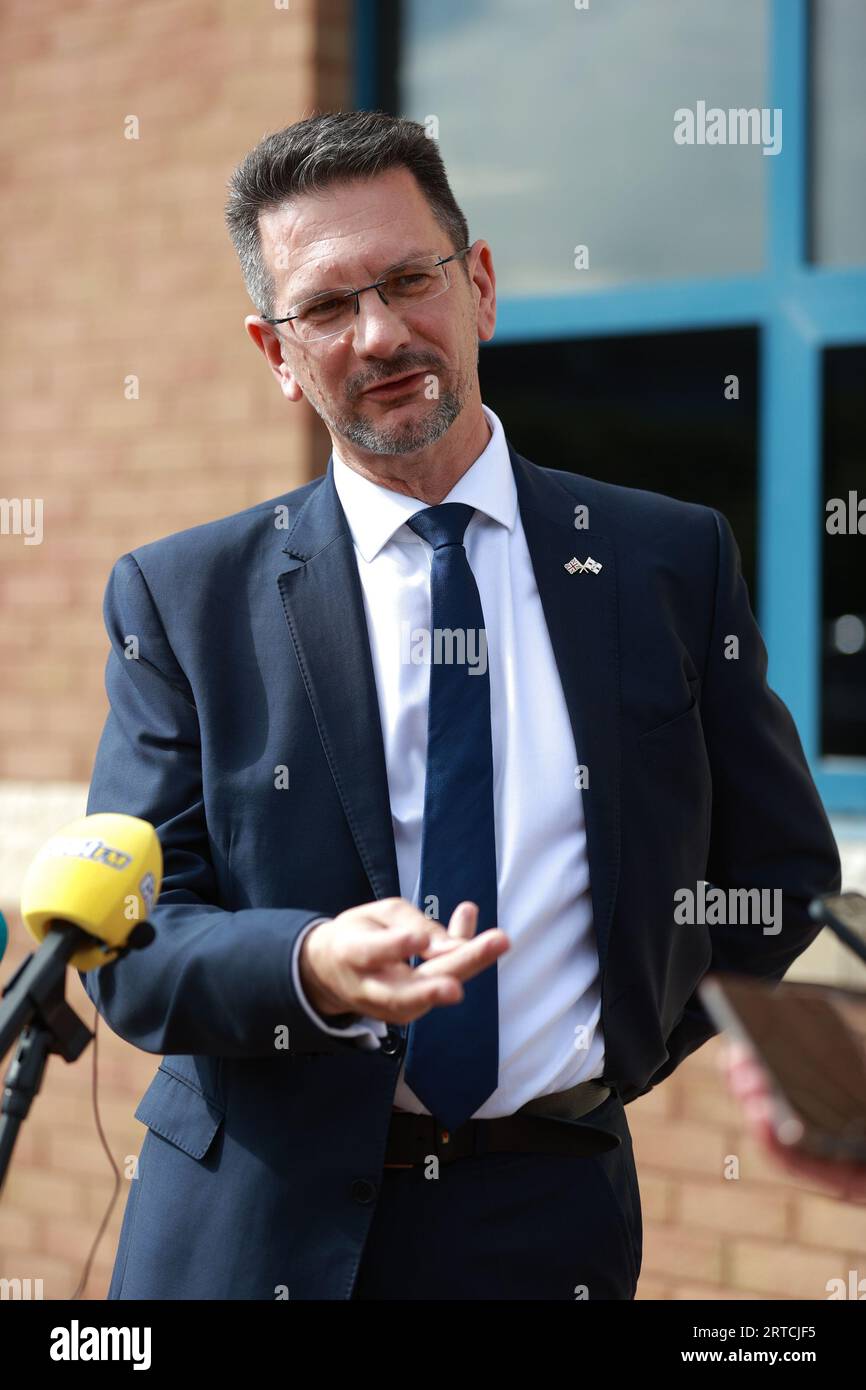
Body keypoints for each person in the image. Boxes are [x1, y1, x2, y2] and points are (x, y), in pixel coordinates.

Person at [83, 110, 841, 1300]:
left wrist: (612, 1043)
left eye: (408, 280)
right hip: (250, 1230)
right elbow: (129, 947)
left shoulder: (663, 560)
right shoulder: (183, 598)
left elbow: (778, 871)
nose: (380, 333)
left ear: (477, 284)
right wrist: (308, 962)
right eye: (326, 307)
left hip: (546, 1224)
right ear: (275, 352)